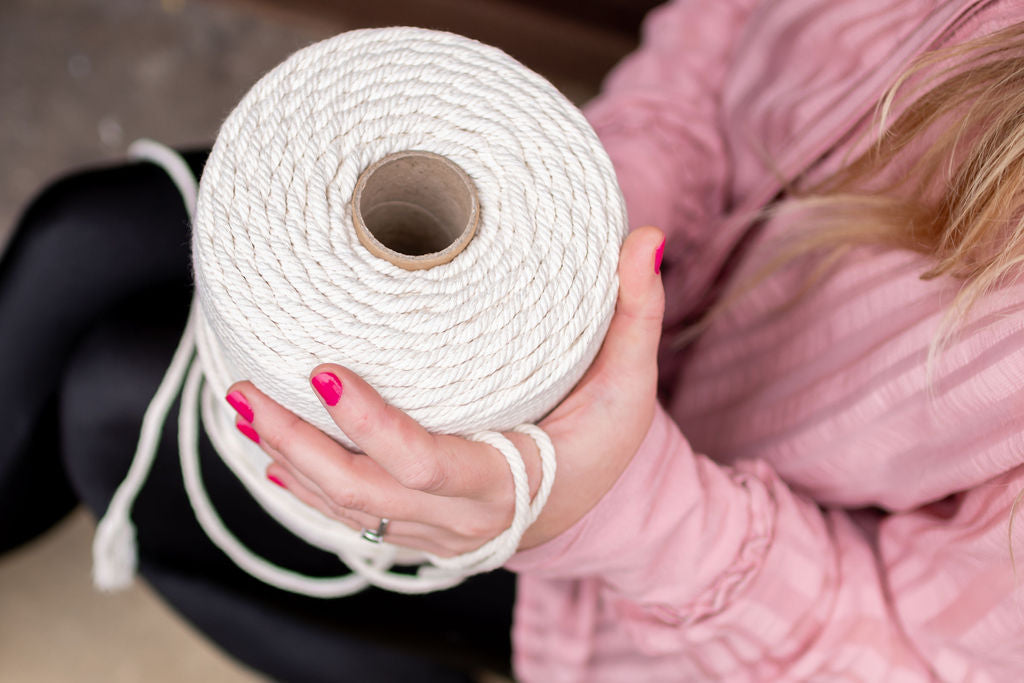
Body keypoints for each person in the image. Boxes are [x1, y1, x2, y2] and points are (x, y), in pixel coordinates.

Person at [5, 0, 1024, 680]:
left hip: (647, 570)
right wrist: (607, 220)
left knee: (108, 408)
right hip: (595, 246)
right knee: (80, 232)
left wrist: (622, 507)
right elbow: (726, 24)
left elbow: (921, 659)